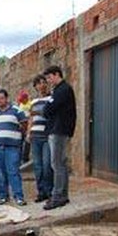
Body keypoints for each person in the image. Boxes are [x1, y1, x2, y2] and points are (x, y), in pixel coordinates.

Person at [42, 65, 77, 210]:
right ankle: (62, 195)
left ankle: (58, 196)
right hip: (57, 129)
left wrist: (47, 107)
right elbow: (48, 109)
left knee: (57, 164)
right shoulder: (58, 90)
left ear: (57, 74)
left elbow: (48, 109)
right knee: (60, 164)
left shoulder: (63, 89)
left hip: (59, 130)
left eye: (50, 77)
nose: (49, 81)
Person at [0, 89, 28, 206]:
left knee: (13, 171)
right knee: (0, 173)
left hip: (12, 147)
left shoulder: (17, 110)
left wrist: (16, 137)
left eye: (1, 98)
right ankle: (2, 196)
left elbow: (24, 124)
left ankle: (19, 196)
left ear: (6, 98)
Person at [29, 75, 54, 202]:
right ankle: (41, 192)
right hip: (35, 136)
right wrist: (29, 133)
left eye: (44, 82)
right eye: (38, 83)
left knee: (47, 165)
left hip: (47, 135)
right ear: (35, 87)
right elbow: (31, 118)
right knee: (37, 166)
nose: (42, 85)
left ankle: (49, 191)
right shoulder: (33, 102)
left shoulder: (51, 99)